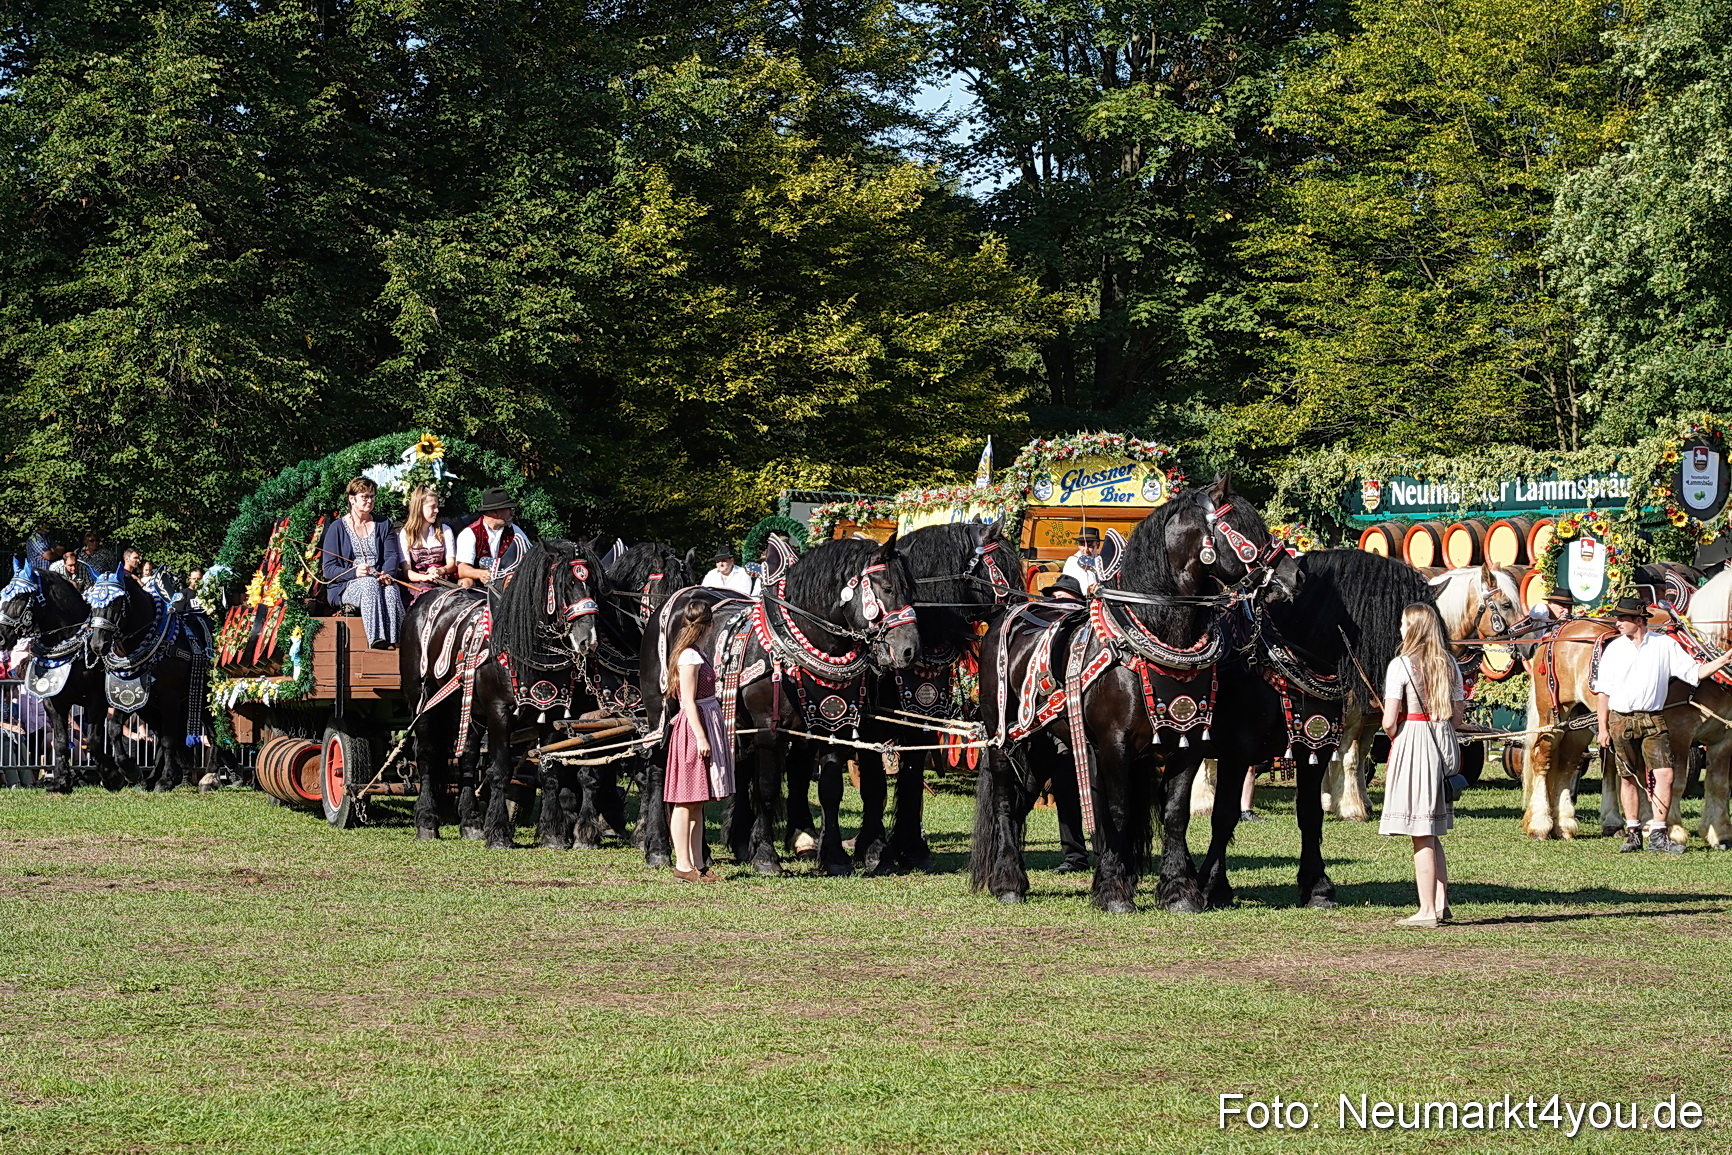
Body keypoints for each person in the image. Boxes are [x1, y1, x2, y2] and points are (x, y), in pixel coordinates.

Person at [1592, 593, 1732, 854]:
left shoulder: (1664, 644)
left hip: (1653, 718)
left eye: (1623, 618)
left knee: (1665, 775)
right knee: (1628, 777)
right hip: (1620, 720)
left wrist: (1723, 660)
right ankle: (1633, 833)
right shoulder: (1614, 648)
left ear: (1639, 620)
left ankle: (1658, 833)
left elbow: (1694, 673)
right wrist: (1602, 728)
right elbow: (1603, 692)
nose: (1617, 622)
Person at [1379, 603, 1466, 927]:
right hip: (1443, 740)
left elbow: (1389, 721)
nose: (1400, 629)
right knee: (1432, 828)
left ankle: (1427, 909)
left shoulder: (1401, 665)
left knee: (1421, 832)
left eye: (1404, 624)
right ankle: (1441, 903)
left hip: (1414, 741)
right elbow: (1457, 716)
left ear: (1414, 628)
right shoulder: (1450, 664)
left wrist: (1399, 734)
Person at [663, 600, 733, 882]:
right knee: (684, 801)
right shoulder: (689, 657)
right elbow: (688, 702)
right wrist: (702, 737)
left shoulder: (698, 653)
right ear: (709, 625)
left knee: (697, 801)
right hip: (693, 730)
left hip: (705, 723)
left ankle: (699, 864)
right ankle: (683, 865)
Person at [320, 477, 405, 649]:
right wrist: (354, 572)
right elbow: (328, 569)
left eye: (372, 496)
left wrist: (387, 574)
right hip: (346, 586)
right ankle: (377, 639)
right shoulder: (337, 528)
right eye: (365, 497)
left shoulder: (383, 524)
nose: (370, 501)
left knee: (391, 590)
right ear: (352, 499)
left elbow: (391, 556)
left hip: (379, 580)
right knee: (368, 584)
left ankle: (399, 641)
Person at [455, 487, 529, 586]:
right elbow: (462, 569)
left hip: (507, 584)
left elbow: (530, 555)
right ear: (495, 512)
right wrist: (480, 574)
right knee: (466, 583)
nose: (512, 513)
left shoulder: (514, 531)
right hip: (479, 584)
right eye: (508, 509)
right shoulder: (469, 533)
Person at [398, 486, 457, 599]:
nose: (437, 511)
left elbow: (452, 564)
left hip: (442, 579)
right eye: (432, 507)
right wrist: (425, 577)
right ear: (419, 508)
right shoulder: (406, 534)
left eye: (437, 507)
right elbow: (407, 571)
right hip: (418, 582)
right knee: (426, 596)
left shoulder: (445, 530)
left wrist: (441, 570)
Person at [1062, 527, 1102, 595]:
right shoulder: (1072, 561)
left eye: (1090, 546)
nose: (1086, 550)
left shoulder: (1101, 561)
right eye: (1083, 545)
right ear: (1079, 546)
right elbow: (1067, 586)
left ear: (1097, 545)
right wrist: (1088, 590)